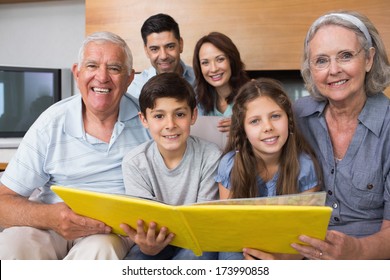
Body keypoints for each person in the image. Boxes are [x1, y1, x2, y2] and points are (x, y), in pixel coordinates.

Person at [0, 31, 151, 259]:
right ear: (77, 73)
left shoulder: (150, 121)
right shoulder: (50, 122)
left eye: (114, 68)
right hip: (51, 226)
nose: (102, 77)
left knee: (100, 249)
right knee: (13, 243)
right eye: (92, 66)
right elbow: (3, 202)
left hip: (111, 231)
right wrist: (50, 217)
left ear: (129, 78)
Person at [288, 11, 390, 260]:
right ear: (310, 69)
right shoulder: (294, 117)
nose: (333, 70)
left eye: (345, 56)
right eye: (321, 60)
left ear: (369, 58)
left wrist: (358, 251)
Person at [215, 78, 323, 260]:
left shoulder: (305, 167)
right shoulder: (230, 165)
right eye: (255, 121)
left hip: (288, 254)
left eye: (275, 116)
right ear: (243, 130)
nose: (268, 127)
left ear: (288, 119)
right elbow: (229, 229)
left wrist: (278, 262)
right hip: (241, 249)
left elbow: (304, 240)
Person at [120, 72, 221, 260]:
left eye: (180, 114)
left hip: (196, 239)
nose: (170, 125)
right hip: (154, 242)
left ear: (193, 115)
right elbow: (144, 221)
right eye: (159, 116)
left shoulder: (211, 155)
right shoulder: (135, 162)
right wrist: (148, 246)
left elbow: (203, 221)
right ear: (144, 120)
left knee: (197, 256)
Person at [127, 13, 195, 99]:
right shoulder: (135, 89)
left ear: (180, 44)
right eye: (154, 49)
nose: (163, 56)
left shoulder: (200, 80)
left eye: (170, 46)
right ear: (146, 50)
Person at [192, 32, 250, 132]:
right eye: (205, 63)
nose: (213, 69)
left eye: (220, 59)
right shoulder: (198, 99)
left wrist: (245, 126)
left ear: (232, 60)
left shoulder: (254, 94)